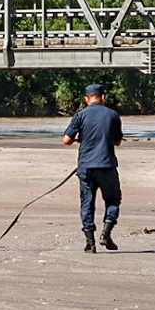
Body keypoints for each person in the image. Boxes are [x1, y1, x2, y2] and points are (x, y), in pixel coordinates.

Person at [62, 83, 124, 253]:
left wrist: (78, 139)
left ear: (86, 99)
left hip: (86, 167)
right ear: (103, 97)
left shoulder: (80, 115)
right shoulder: (113, 115)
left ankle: (90, 242)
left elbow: (66, 140)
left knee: (87, 204)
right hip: (107, 165)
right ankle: (106, 233)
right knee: (113, 200)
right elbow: (117, 141)